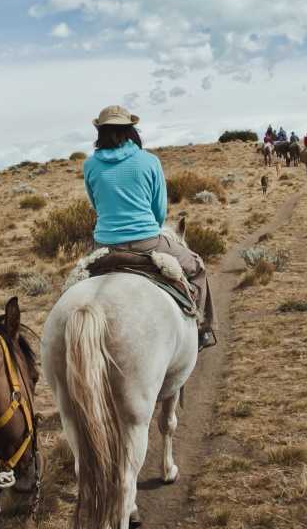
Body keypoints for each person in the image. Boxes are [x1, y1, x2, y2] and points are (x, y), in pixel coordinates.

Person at [83, 105, 217, 349]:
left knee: (76, 283)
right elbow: (159, 210)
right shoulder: (149, 161)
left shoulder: (90, 166)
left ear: (100, 133)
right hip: (147, 241)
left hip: (104, 246)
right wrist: (148, 229)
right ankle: (202, 329)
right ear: (130, 130)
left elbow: (96, 205)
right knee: (196, 268)